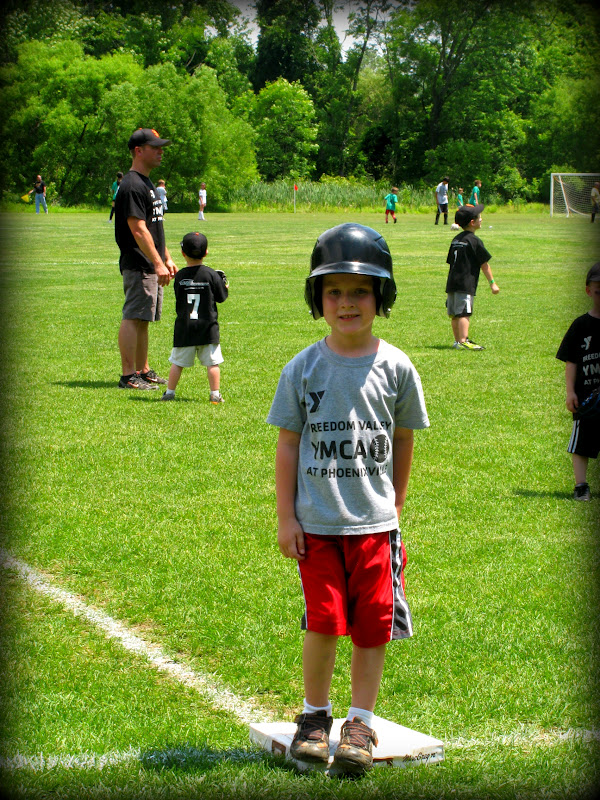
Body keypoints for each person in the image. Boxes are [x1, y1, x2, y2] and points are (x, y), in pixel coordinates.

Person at [266, 223, 429, 775]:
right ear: (317, 299)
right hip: (317, 523)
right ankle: (315, 716)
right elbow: (288, 444)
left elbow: (403, 438)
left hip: (374, 525)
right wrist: (286, 515)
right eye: (333, 291)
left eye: (360, 290)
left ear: (381, 297)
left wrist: (396, 504)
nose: (347, 302)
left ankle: (359, 721)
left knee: (372, 623)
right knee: (322, 621)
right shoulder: (302, 368)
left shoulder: (398, 366)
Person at [114, 127, 177, 390]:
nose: (161, 151)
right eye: (155, 147)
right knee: (133, 315)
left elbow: (154, 227)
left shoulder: (148, 183)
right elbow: (138, 229)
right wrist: (158, 262)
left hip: (150, 261)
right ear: (139, 151)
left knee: (144, 318)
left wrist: (167, 257)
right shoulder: (131, 184)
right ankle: (129, 375)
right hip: (139, 262)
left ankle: (143, 370)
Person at [160, 232, 228, 403]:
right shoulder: (211, 275)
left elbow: (179, 296)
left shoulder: (180, 276)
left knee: (177, 363)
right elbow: (221, 297)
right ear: (206, 252)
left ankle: (169, 392)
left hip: (185, 328)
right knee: (212, 364)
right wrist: (224, 285)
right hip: (208, 328)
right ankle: (215, 394)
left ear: (183, 253)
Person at [556, 263, 600, 501]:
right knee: (581, 443)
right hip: (587, 398)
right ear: (588, 291)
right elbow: (571, 361)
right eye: (598, 291)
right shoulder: (580, 325)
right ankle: (581, 485)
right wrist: (570, 392)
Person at [445, 203, 500, 350]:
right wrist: (492, 283)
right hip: (465, 282)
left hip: (452, 282)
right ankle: (464, 340)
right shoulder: (474, 241)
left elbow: (451, 261)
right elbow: (484, 264)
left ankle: (457, 341)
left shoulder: (456, 240)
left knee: (455, 314)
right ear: (472, 222)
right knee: (464, 313)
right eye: (479, 217)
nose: (481, 219)